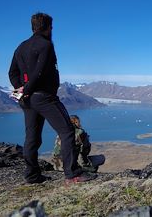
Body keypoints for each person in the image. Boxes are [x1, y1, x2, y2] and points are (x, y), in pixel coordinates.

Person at [8, 12, 96, 184]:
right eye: (52, 27)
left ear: (33, 27)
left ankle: (32, 175)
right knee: (67, 131)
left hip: (27, 100)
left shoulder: (20, 47)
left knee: (32, 138)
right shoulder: (46, 45)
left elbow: (12, 72)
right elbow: (39, 72)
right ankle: (72, 174)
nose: (52, 30)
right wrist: (28, 88)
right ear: (48, 28)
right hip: (44, 97)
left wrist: (20, 88)